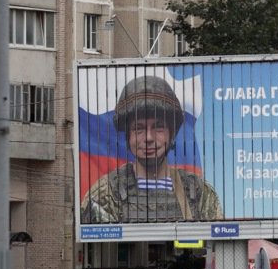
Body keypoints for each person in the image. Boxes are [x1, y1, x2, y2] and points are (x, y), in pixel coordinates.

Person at [81, 76, 222, 223]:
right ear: (129, 137)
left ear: (172, 133)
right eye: (138, 129)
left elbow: (218, 242)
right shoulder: (106, 194)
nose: (148, 137)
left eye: (158, 127)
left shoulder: (198, 193)